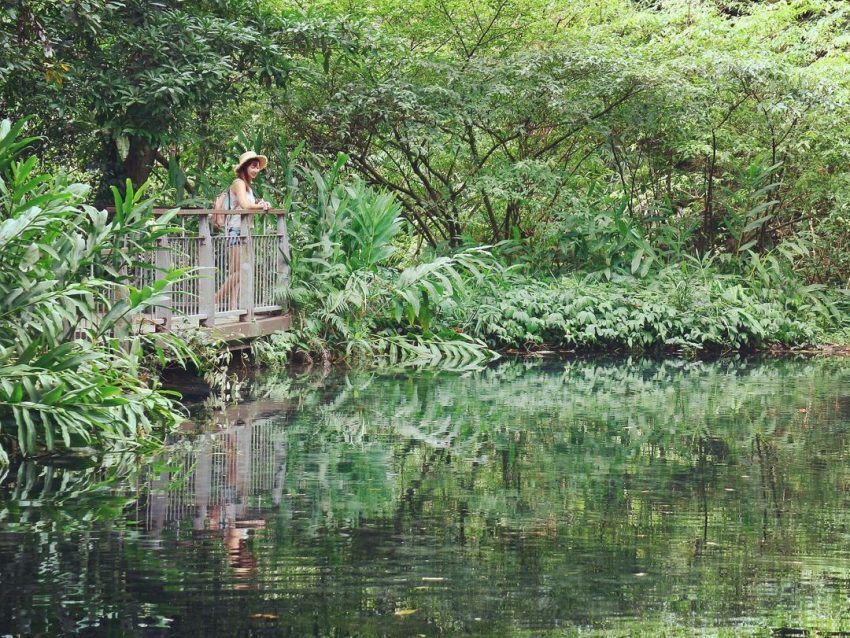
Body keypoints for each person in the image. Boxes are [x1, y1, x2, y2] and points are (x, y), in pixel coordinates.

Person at [215, 151, 272, 309]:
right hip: (236, 230)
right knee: (240, 271)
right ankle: (215, 299)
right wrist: (261, 206)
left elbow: (248, 203)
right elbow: (245, 205)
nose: (256, 170)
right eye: (253, 167)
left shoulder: (248, 186)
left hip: (243, 230)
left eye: (258, 167)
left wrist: (261, 202)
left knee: (236, 271)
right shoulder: (238, 183)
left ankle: (233, 307)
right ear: (245, 167)